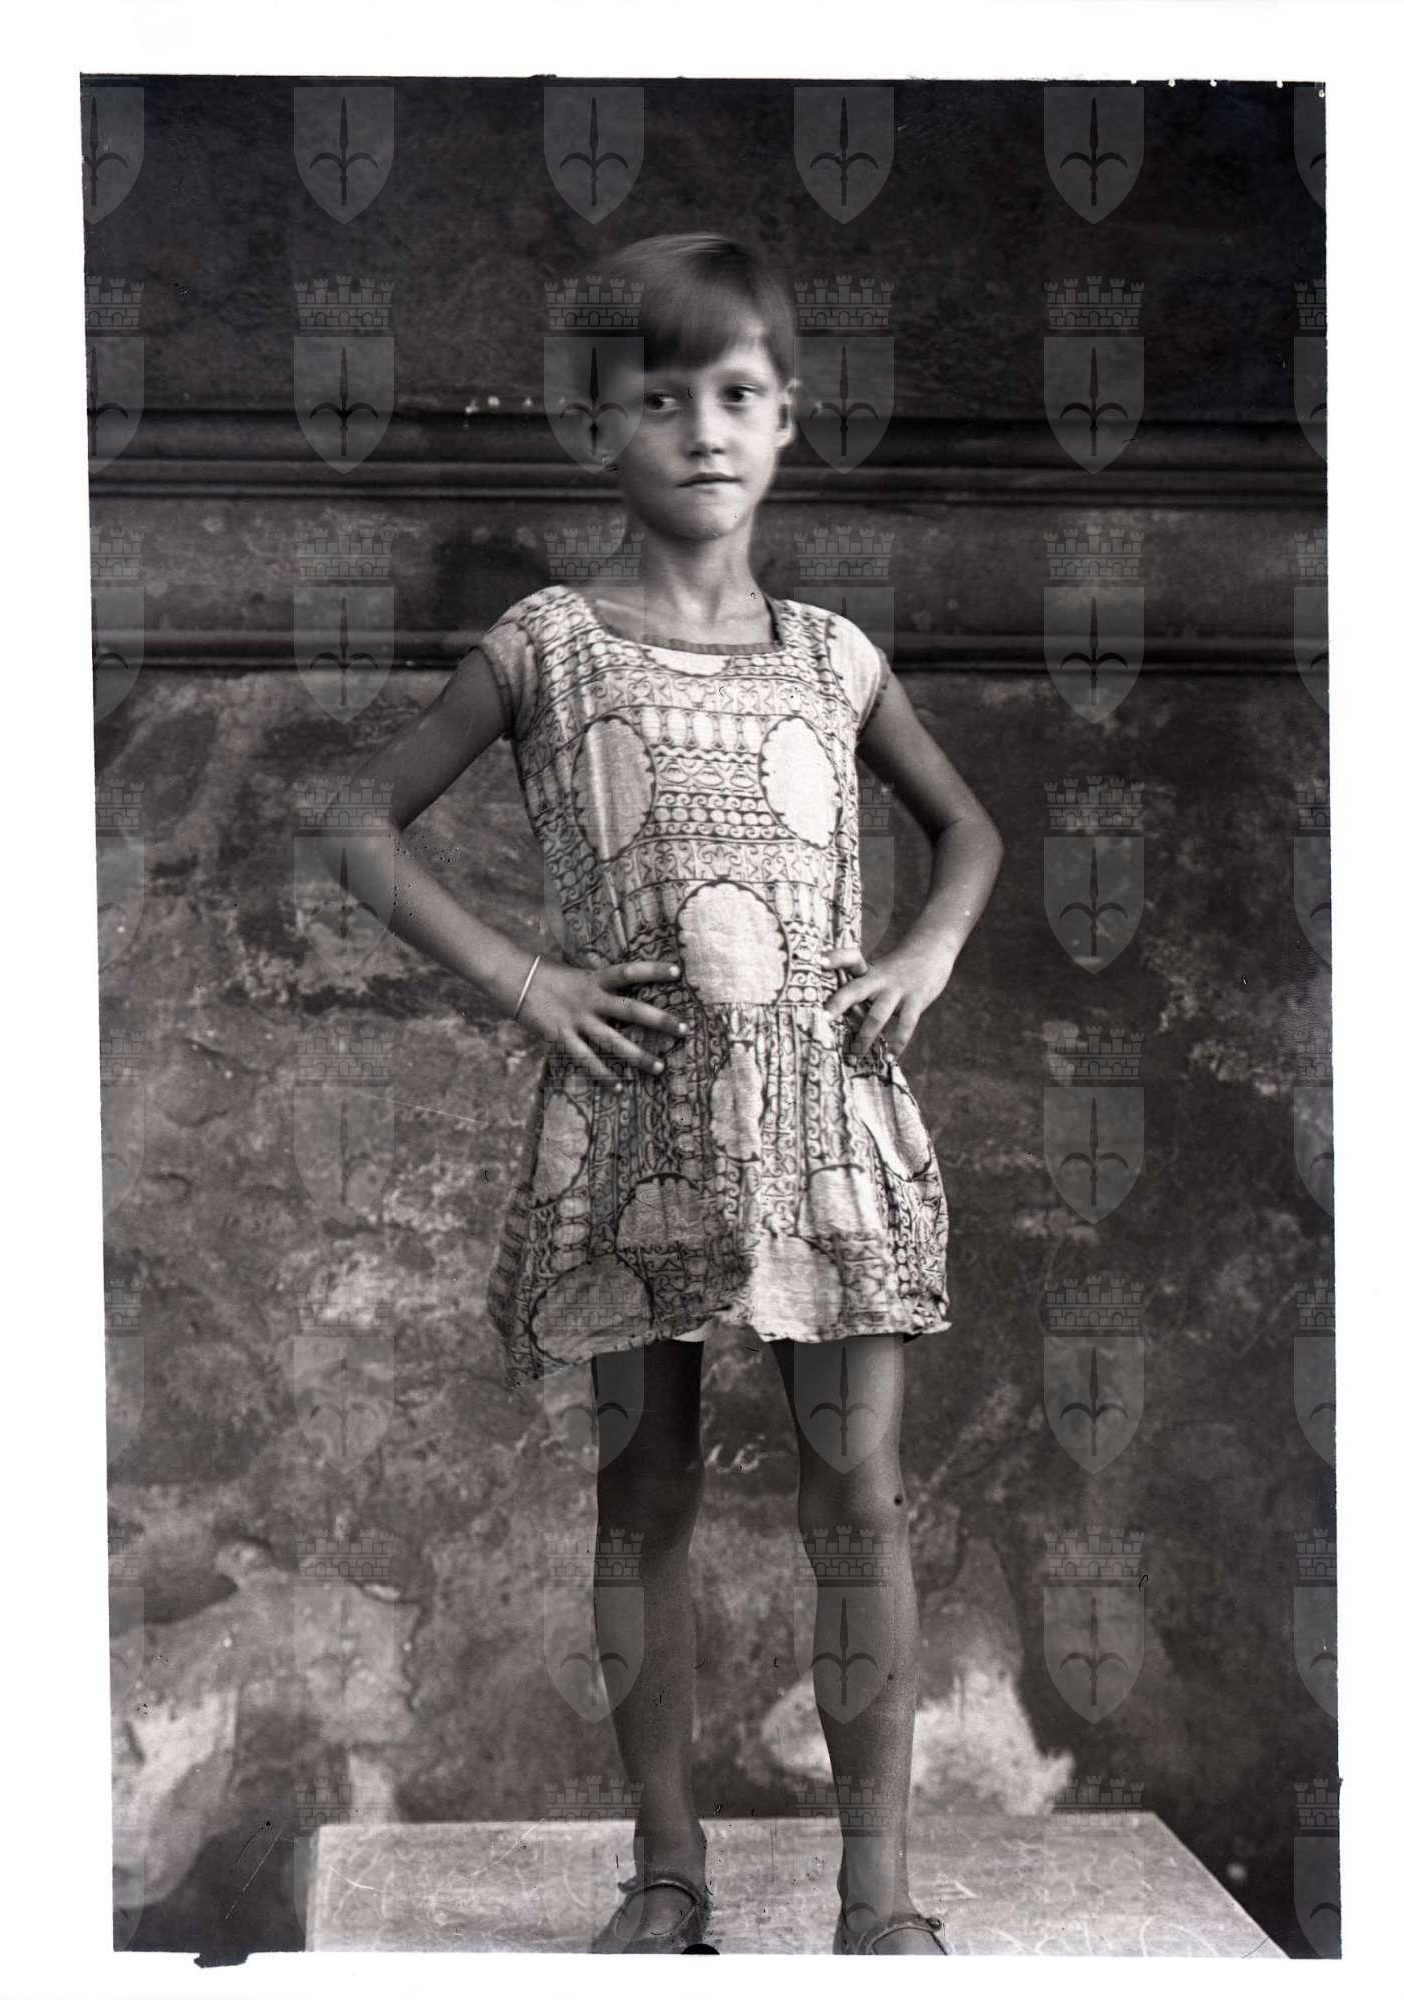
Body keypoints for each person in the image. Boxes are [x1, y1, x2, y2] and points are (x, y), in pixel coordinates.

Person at [326, 232, 1004, 1954]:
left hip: (824, 1128)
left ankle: (879, 1897)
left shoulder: (834, 657)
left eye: (740, 395)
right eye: (660, 398)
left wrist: (925, 950)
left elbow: (968, 829)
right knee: (644, 1498)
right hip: (635, 1130)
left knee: (858, 1497)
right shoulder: (550, 646)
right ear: (592, 429)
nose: (704, 429)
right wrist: (530, 982)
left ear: (787, 419)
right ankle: (667, 1871)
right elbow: (359, 828)